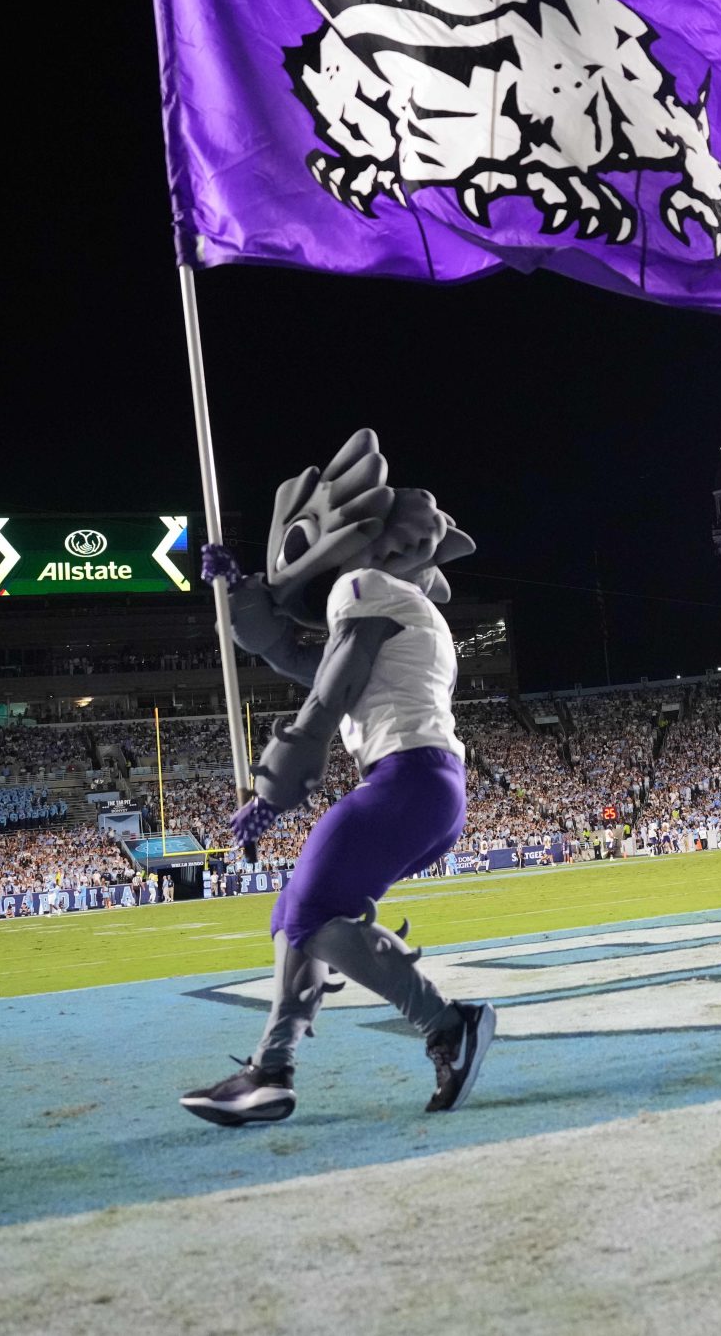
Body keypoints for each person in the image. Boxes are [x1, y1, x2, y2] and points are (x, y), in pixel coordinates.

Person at [179, 430, 497, 1128]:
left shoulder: (364, 585)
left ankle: (445, 1023)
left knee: (313, 911)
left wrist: (273, 787)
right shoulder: (399, 602)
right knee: (297, 911)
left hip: (408, 776)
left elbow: (330, 690)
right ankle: (271, 1069)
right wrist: (239, 594)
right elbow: (306, 662)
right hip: (424, 784)